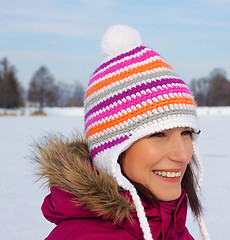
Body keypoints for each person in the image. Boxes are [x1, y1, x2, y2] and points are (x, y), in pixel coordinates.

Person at [34, 25, 210, 240]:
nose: (183, 155)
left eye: (186, 133)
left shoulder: (170, 226)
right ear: (111, 151)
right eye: (158, 134)